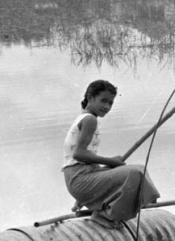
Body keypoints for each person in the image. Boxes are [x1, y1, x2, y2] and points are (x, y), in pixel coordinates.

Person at [62, 80, 160, 229]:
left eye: (110, 103)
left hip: (81, 176)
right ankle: (105, 216)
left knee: (136, 170)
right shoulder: (90, 120)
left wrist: (109, 165)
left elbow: (83, 158)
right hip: (79, 179)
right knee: (135, 173)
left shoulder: (86, 118)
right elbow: (79, 154)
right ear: (90, 98)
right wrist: (111, 161)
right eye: (103, 101)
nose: (107, 107)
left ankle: (107, 207)